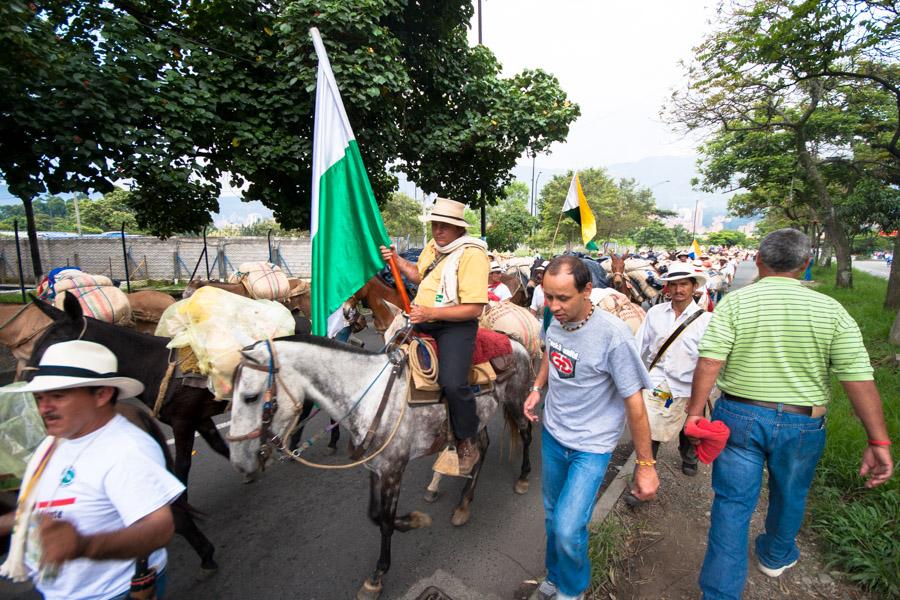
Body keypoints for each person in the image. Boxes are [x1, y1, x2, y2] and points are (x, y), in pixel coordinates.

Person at [686, 228, 894, 600]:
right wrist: (877, 439)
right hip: (804, 423)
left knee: (732, 504)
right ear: (806, 264)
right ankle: (775, 553)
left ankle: (719, 594)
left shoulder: (736, 304)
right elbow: (858, 378)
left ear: (758, 261)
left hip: (739, 417)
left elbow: (709, 362)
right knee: (791, 493)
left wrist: (694, 414)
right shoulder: (832, 310)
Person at [0, 340, 185, 600]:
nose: (44, 408)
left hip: (110, 593)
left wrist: (84, 546)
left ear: (102, 394)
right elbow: (40, 511)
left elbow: (160, 528)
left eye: (58, 396)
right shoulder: (54, 443)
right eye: (40, 398)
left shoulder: (126, 450)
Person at [524, 256, 659, 600]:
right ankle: (554, 577)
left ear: (587, 290)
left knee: (569, 527)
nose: (554, 306)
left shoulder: (613, 337)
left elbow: (635, 405)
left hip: (591, 448)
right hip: (553, 436)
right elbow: (548, 353)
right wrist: (537, 389)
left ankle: (572, 590)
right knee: (554, 517)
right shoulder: (554, 319)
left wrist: (645, 465)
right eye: (548, 297)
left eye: (563, 298)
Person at [380, 197, 489, 475]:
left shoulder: (471, 254)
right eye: (435, 225)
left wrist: (430, 313)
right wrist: (396, 260)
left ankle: (467, 440)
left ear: (459, 229)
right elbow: (419, 275)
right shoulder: (435, 246)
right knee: (388, 361)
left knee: (453, 383)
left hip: (455, 325)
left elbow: (474, 308)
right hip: (423, 316)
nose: (438, 230)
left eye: (444, 226)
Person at [630, 267, 712, 501]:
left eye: (683, 284)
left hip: (689, 384)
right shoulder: (655, 313)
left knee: (690, 428)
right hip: (657, 381)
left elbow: (710, 359)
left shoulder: (706, 320)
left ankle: (689, 457)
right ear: (667, 287)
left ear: (693, 287)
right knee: (649, 429)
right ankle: (643, 479)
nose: (678, 289)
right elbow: (638, 345)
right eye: (673, 284)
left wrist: (706, 389)